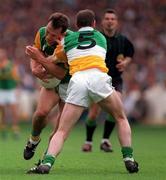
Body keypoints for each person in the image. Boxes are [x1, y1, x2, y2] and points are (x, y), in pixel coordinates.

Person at [26, 9, 139, 174]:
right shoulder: (101, 38)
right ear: (94, 24)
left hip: (77, 81)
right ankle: (129, 159)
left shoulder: (68, 40)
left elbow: (51, 61)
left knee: (62, 131)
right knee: (121, 118)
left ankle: (47, 163)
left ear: (77, 26)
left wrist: (40, 58)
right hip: (99, 78)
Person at [82, 9, 134, 152]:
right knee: (93, 114)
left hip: (115, 80)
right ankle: (88, 141)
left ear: (116, 22)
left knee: (116, 110)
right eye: (107, 18)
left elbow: (130, 54)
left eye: (113, 19)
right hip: (98, 80)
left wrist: (126, 63)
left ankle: (105, 140)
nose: (110, 21)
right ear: (102, 22)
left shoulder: (123, 40)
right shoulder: (97, 38)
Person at [23, 12, 71, 160]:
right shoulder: (42, 32)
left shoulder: (70, 42)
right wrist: (34, 68)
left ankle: (47, 158)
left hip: (70, 84)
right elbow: (35, 53)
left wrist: (41, 61)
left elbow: (62, 75)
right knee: (40, 114)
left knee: (59, 128)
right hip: (51, 83)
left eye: (53, 35)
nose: (48, 36)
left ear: (63, 34)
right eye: (48, 31)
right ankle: (33, 140)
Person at [0, 48, 20, 139]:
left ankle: (15, 130)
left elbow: (16, 77)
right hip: (1, 90)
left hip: (11, 90)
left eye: (2, 54)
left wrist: (17, 88)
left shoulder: (11, 64)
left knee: (14, 111)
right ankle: (3, 129)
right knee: (3, 111)